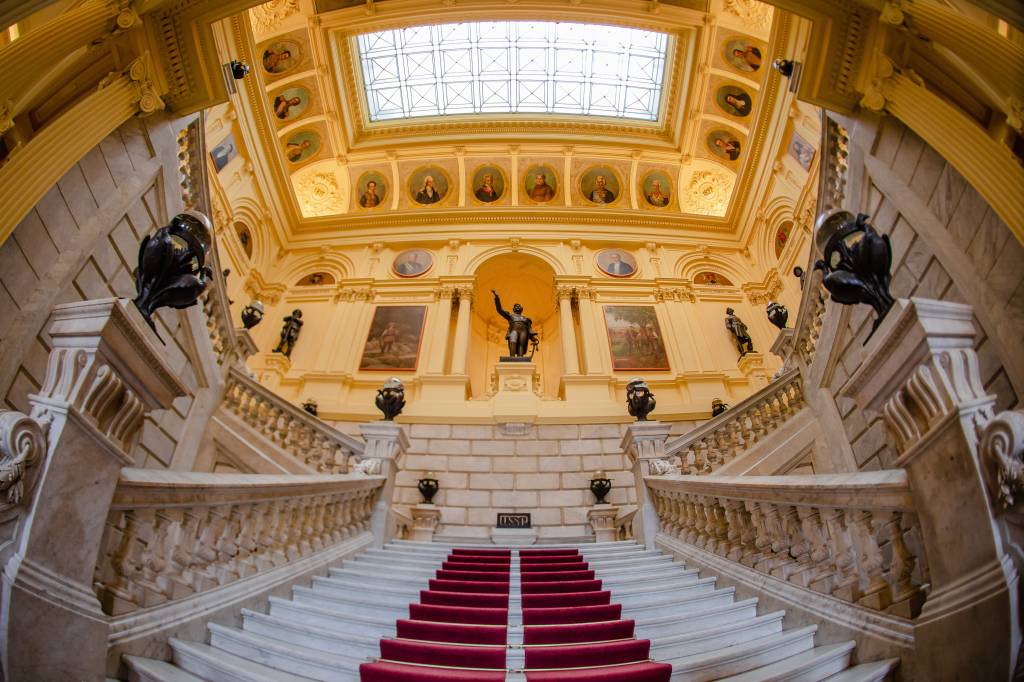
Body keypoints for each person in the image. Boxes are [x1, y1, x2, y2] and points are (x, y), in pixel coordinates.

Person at [492, 289, 537, 358]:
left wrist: (533, 337)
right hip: (514, 330)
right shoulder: (510, 316)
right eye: (516, 306)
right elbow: (499, 310)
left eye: (519, 306)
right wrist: (497, 297)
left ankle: (520, 357)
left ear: (521, 309)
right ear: (513, 309)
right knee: (513, 342)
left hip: (524, 331)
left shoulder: (526, 319)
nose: (517, 307)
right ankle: (512, 357)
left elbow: (529, 328)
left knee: (521, 345)